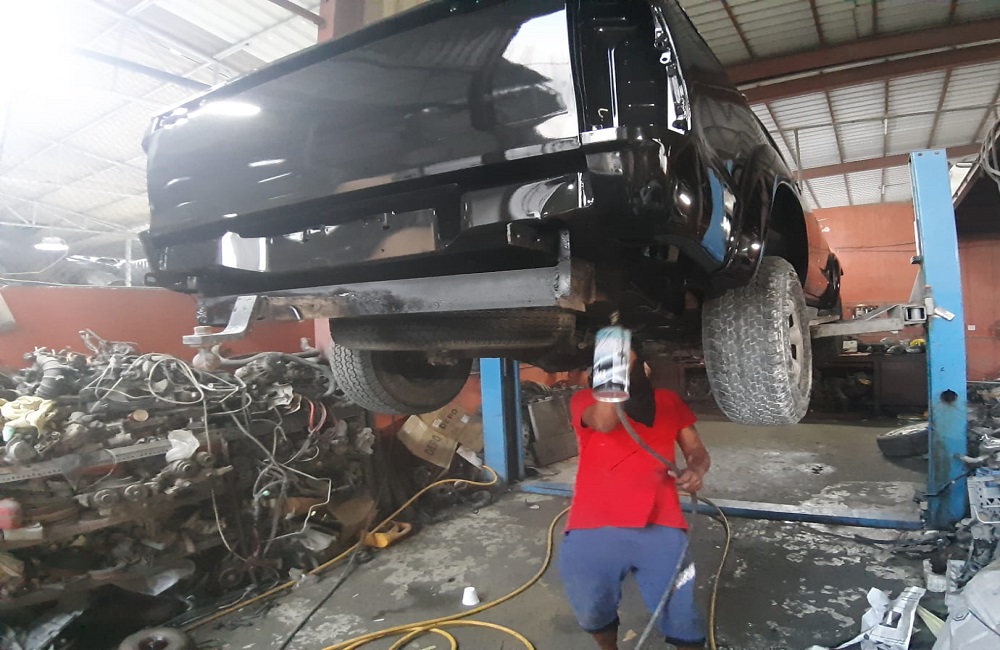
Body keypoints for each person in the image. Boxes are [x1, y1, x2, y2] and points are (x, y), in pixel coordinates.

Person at [559, 351, 711, 650]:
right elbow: (604, 422)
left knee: (682, 616)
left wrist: (696, 470)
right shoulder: (585, 400)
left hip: (662, 522)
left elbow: (697, 451)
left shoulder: (668, 401)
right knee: (593, 608)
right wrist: (616, 359)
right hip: (593, 523)